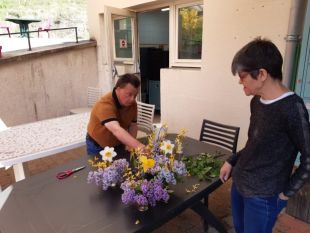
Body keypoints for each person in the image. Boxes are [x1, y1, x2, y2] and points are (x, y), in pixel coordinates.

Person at [219, 38, 310, 233]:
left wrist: (286, 194)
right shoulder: (257, 102)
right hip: (239, 185)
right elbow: (255, 142)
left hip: (263, 198)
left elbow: (309, 159)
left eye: (242, 76)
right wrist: (232, 160)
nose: (239, 82)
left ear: (261, 74)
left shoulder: (293, 109)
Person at [86, 73, 145, 157]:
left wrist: (130, 146)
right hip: (98, 145)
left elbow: (133, 126)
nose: (132, 99)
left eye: (135, 95)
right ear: (118, 89)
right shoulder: (104, 104)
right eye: (129, 94)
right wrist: (138, 146)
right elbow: (116, 129)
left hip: (118, 142)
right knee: (99, 169)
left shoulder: (132, 104)